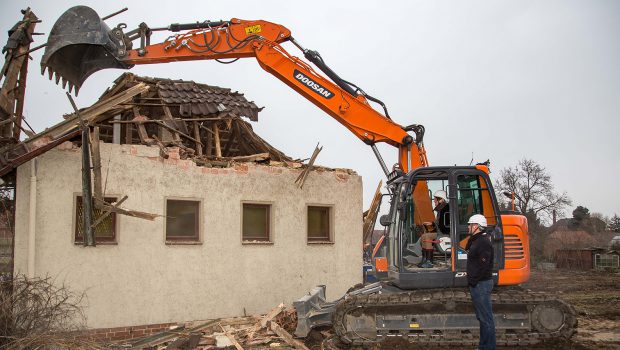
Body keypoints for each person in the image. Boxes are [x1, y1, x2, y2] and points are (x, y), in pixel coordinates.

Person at [466, 214, 496, 350]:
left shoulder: (483, 242)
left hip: (481, 284)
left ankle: (488, 348)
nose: (468, 227)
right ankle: (483, 346)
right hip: (478, 284)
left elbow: (484, 264)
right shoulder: (477, 240)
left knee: (486, 320)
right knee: (482, 318)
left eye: (470, 225)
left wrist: (473, 280)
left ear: (477, 226)